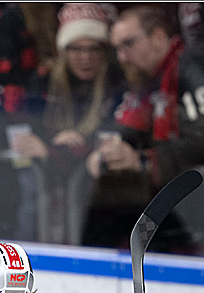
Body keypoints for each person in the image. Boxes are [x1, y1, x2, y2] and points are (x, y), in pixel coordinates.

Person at [87, 4, 204, 254]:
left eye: (128, 44)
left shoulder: (196, 69)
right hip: (185, 220)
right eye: (117, 48)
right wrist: (108, 152)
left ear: (158, 37)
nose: (122, 57)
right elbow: (131, 129)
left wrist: (142, 162)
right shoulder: (149, 81)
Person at [8, 2, 124, 244]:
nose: (85, 57)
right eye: (76, 49)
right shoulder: (42, 81)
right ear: (63, 50)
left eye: (94, 49)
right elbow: (19, 129)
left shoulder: (117, 84)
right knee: (29, 185)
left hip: (93, 186)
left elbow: (111, 139)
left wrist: (51, 149)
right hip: (50, 179)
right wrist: (47, 146)